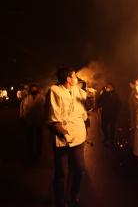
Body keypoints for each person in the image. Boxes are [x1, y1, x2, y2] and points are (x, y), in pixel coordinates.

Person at [47, 67, 88, 207]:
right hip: (62, 138)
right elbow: (53, 116)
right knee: (62, 172)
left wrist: (92, 97)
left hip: (78, 136)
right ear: (68, 79)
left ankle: (74, 195)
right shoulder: (55, 91)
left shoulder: (78, 90)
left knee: (79, 168)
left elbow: (87, 107)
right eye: (74, 76)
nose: (77, 78)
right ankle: (59, 200)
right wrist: (61, 131)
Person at [20, 84, 45, 161]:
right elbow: (23, 108)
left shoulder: (42, 98)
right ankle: (30, 151)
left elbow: (46, 107)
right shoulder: (27, 98)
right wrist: (22, 117)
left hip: (39, 120)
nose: (34, 90)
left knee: (39, 137)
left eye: (35, 89)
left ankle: (38, 152)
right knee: (29, 137)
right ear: (31, 90)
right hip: (29, 120)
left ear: (37, 90)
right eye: (32, 89)